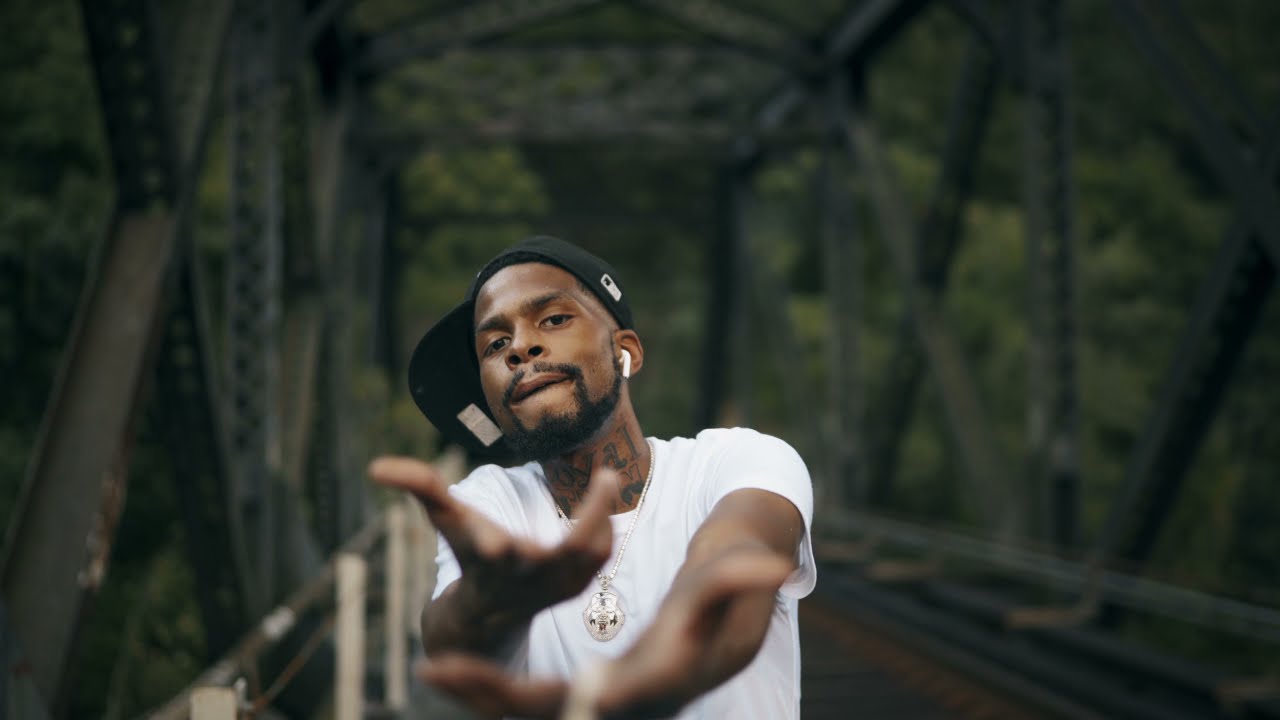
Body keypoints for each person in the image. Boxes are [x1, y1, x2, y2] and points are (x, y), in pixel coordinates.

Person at [369, 236, 816, 719]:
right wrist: (486, 603)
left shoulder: (738, 460)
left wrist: (644, 678)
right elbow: (451, 642)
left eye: (554, 319)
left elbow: (734, 556)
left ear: (627, 352)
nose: (519, 347)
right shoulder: (491, 500)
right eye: (494, 345)